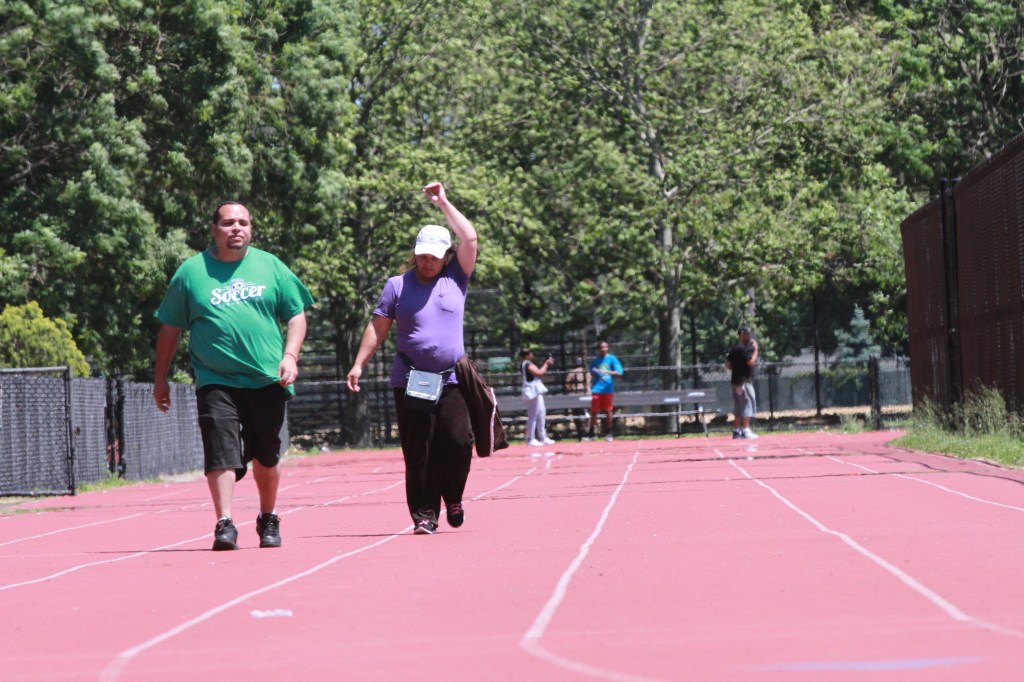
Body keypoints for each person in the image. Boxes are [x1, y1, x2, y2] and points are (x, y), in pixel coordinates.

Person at [153, 201, 314, 551]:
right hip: (215, 379)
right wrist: (160, 378)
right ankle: (224, 523)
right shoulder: (191, 272)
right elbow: (170, 328)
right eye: (228, 223)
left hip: (266, 378)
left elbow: (297, 315)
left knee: (266, 455)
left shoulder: (270, 266)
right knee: (220, 449)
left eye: (242, 222)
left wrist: (290, 356)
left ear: (251, 229)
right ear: (214, 229)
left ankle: (268, 517)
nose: (236, 228)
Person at [346, 182, 479, 535]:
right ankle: (424, 514)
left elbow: (471, 239)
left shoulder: (457, 278)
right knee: (418, 449)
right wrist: (359, 362)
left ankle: (453, 496)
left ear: (446, 255)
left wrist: (444, 202)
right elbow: (377, 328)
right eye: (422, 255)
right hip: (411, 378)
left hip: (452, 379)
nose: (427, 261)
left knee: (458, 441)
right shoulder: (396, 285)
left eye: (435, 256)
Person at [725, 325, 759, 439]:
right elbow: (750, 362)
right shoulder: (742, 348)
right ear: (742, 334)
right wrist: (756, 350)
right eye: (747, 334)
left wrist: (737, 367)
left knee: (738, 407)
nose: (749, 337)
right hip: (744, 382)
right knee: (747, 404)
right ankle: (745, 430)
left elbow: (728, 365)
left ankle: (736, 431)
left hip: (735, 381)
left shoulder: (734, 348)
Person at [585, 340, 623, 442]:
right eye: (601, 347)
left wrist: (606, 371)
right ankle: (591, 433)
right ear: (599, 349)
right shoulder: (596, 361)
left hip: (607, 389)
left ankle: (609, 432)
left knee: (608, 410)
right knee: (594, 411)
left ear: (608, 348)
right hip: (597, 389)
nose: (603, 349)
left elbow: (620, 372)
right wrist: (591, 379)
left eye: (605, 347)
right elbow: (591, 374)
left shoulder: (612, 359)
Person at [520, 348, 555, 446]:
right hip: (532, 392)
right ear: (527, 355)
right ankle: (530, 438)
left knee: (541, 413)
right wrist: (546, 364)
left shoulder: (527, 363)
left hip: (536, 392)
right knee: (533, 415)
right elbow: (539, 373)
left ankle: (543, 437)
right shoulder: (527, 364)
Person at [562, 356, 591, 440]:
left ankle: (581, 433)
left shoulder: (572, 372)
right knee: (585, 414)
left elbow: (567, 385)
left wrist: (572, 389)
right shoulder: (587, 372)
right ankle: (587, 432)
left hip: (576, 395)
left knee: (577, 414)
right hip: (587, 395)